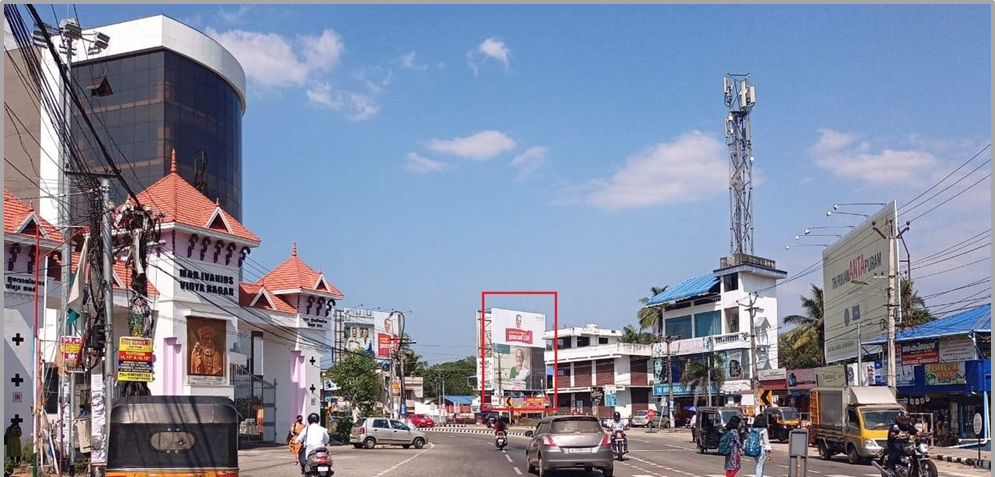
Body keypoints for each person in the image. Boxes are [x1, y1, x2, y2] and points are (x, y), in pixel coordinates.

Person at [886, 411, 923, 476]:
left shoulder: (909, 427)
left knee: (914, 453)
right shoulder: (895, 426)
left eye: (907, 419)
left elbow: (917, 432)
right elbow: (892, 434)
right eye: (904, 419)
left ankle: (915, 469)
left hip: (905, 444)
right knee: (896, 452)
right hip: (895, 443)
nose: (905, 421)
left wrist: (925, 434)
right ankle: (890, 468)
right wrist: (895, 435)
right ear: (899, 419)